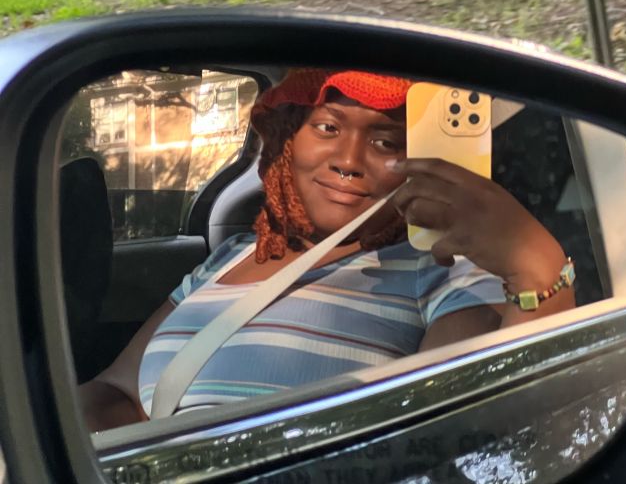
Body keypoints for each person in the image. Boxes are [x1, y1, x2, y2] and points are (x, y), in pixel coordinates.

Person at [80, 69, 574, 431]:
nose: (348, 161)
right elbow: (119, 392)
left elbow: (448, 432)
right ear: (285, 139)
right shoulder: (230, 255)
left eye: (385, 141)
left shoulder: (447, 269)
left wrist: (533, 266)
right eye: (327, 128)